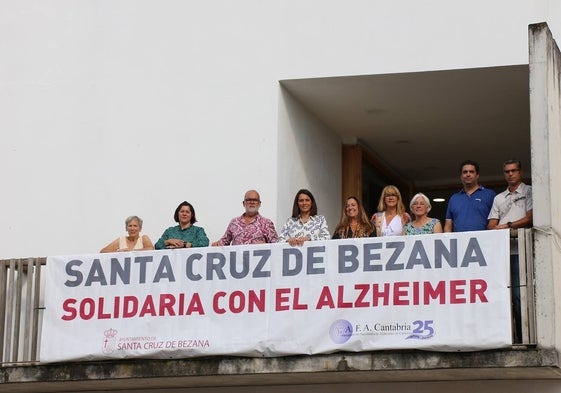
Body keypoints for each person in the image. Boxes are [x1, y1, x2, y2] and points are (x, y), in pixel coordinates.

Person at [487, 159, 533, 343]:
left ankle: (523, 337)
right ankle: (507, 337)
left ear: (520, 172)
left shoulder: (529, 191)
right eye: (507, 171)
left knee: (520, 295)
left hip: (522, 251)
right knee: (502, 295)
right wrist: (500, 228)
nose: (510, 174)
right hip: (502, 253)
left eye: (514, 170)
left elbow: (531, 217)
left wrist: (506, 226)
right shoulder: (499, 197)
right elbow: (491, 225)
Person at [444, 160, 495, 232]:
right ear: (461, 176)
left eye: (471, 172)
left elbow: (495, 222)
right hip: (459, 242)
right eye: (465, 172)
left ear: (477, 175)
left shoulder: (490, 194)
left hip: (484, 241)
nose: (468, 174)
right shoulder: (454, 198)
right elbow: (448, 226)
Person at [212, 190, 278, 246]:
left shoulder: (267, 223)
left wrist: (265, 246)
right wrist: (217, 244)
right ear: (244, 203)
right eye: (249, 200)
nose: (252, 202)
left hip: (258, 260)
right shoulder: (234, 222)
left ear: (259, 204)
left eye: (255, 200)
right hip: (237, 260)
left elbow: (276, 245)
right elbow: (224, 242)